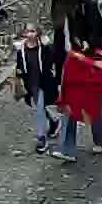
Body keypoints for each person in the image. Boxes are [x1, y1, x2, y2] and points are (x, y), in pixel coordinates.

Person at [51, 35, 102, 162]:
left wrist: (86, 59)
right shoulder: (73, 54)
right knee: (70, 113)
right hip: (74, 87)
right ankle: (67, 149)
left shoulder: (100, 55)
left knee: (95, 112)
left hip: (91, 87)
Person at [12, 24, 62, 154]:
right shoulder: (21, 50)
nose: (30, 34)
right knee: (41, 108)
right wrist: (19, 79)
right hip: (31, 86)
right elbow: (19, 67)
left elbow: (53, 62)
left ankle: (42, 138)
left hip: (44, 84)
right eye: (27, 31)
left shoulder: (44, 48)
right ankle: (53, 123)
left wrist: (47, 46)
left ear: (38, 33)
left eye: (33, 31)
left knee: (41, 109)